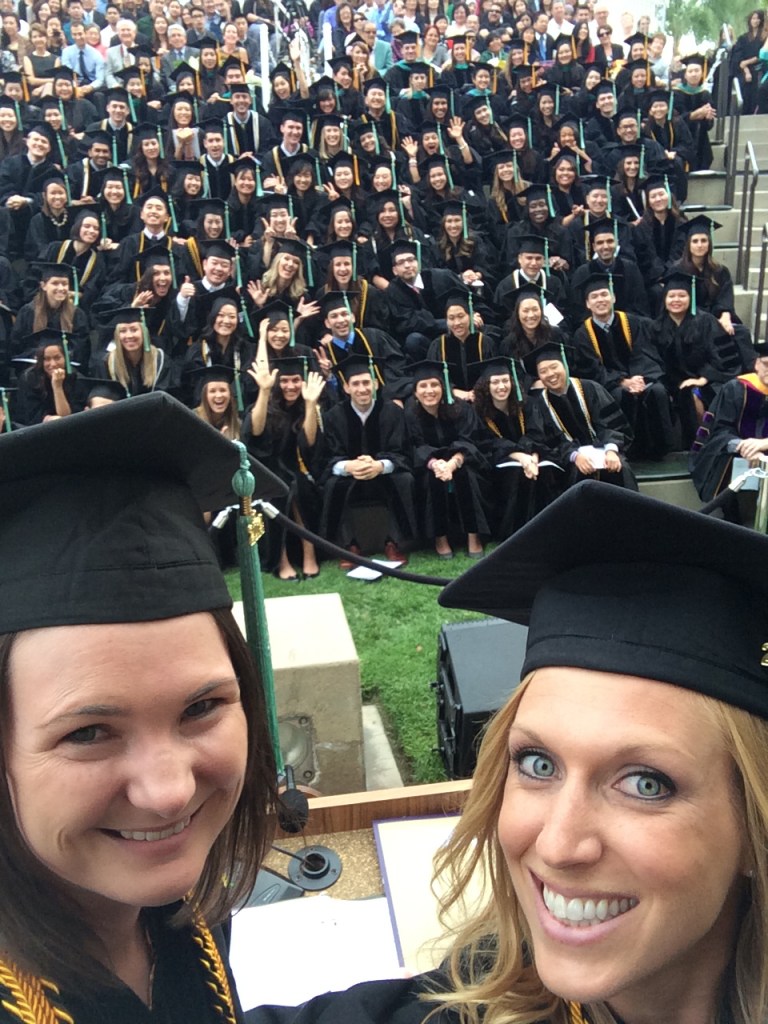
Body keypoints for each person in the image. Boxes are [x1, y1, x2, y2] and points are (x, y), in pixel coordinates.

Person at [318, 353, 416, 568]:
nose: (362, 389)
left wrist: (380, 466)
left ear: (375, 384)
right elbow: (326, 456)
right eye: (356, 384)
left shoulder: (392, 412)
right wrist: (347, 466)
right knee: (333, 484)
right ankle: (348, 546)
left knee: (404, 479)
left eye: (366, 383)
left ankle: (395, 542)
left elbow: (403, 451)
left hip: (382, 472)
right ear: (346, 388)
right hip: (350, 473)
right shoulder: (333, 416)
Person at [523, 341, 638, 490]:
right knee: (575, 477)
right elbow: (546, 442)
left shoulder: (591, 388)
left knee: (620, 469)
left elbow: (613, 424)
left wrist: (611, 451)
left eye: (554, 367)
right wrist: (574, 456)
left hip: (604, 452)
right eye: (543, 371)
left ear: (564, 365)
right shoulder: (539, 404)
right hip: (568, 462)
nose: (550, 374)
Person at [405, 359, 490, 558]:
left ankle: (473, 535)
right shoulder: (410, 414)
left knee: (467, 475)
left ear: (443, 387)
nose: (429, 390)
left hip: (462, 461)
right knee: (429, 480)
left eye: (434, 385)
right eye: (423, 386)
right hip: (429, 465)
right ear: (415, 392)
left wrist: (452, 463)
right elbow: (412, 446)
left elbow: (470, 440)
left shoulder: (461, 408)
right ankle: (440, 538)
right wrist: (435, 464)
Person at [691, 342, 768, 504]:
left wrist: (764, 444)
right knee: (722, 453)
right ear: (756, 364)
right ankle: (731, 516)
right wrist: (745, 447)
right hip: (738, 452)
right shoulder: (736, 388)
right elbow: (720, 430)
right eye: (766, 364)